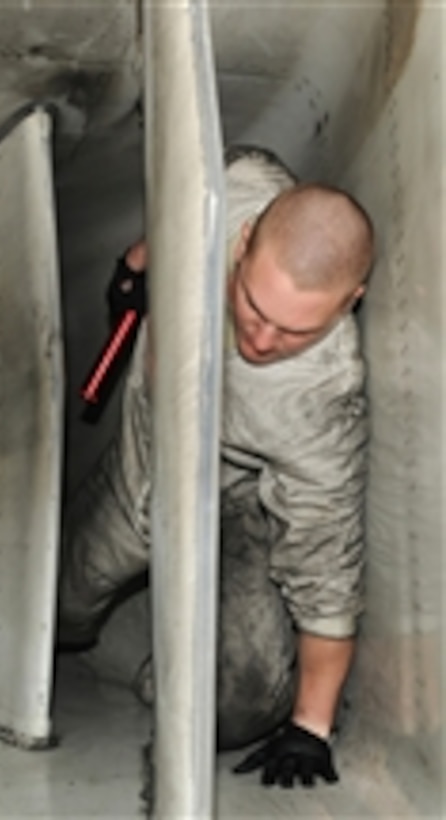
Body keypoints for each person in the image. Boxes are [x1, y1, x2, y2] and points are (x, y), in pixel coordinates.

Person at [57, 145, 374, 788]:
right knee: (59, 607)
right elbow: (196, 179)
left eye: (294, 332)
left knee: (239, 709)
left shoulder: (318, 404)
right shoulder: (240, 189)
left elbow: (327, 567)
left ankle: (160, 668)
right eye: (254, 306)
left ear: (350, 302)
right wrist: (141, 259)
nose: (261, 340)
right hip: (142, 461)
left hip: (234, 502)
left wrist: (311, 727)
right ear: (244, 238)